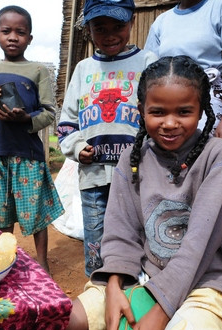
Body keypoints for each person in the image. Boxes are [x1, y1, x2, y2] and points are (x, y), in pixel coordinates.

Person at [60, 56, 222, 330]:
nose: (170, 123)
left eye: (184, 112)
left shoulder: (220, 156)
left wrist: (161, 312)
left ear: (201, 111)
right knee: (71, 323)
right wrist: (115, 287)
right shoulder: (132, 159)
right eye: (157, 112)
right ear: (141, 112)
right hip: (147, 274)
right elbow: (120, 233)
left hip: (208, 281)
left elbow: (199, 244)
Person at [56, 0, 158, 276]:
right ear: (88, 28)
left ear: (132, 23)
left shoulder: (148, 63)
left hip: (138, 174)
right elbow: (66, 121)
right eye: (100, 28)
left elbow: (159, 115)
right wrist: (77, 148)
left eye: (118, 26)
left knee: (138, 232)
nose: (110, 34)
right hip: (94, 175)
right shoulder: (83, 69)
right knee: (96, 237)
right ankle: (97, 289)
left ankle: (136, 287)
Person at [0, 5, 64, 273]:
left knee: (35, 211)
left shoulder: (38, 71)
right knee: (0, 214)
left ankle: (43, 262)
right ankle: (3, 263)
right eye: (6, 31)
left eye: (20, 32)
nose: (13, 37)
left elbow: (48, 112)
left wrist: (26, 119)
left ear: (30, 38)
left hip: (28, 155)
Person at [145, 0, 222, 141]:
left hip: (206, 97)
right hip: (168, 101)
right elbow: (151, 72)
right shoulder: (162, 21)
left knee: (202, 152)